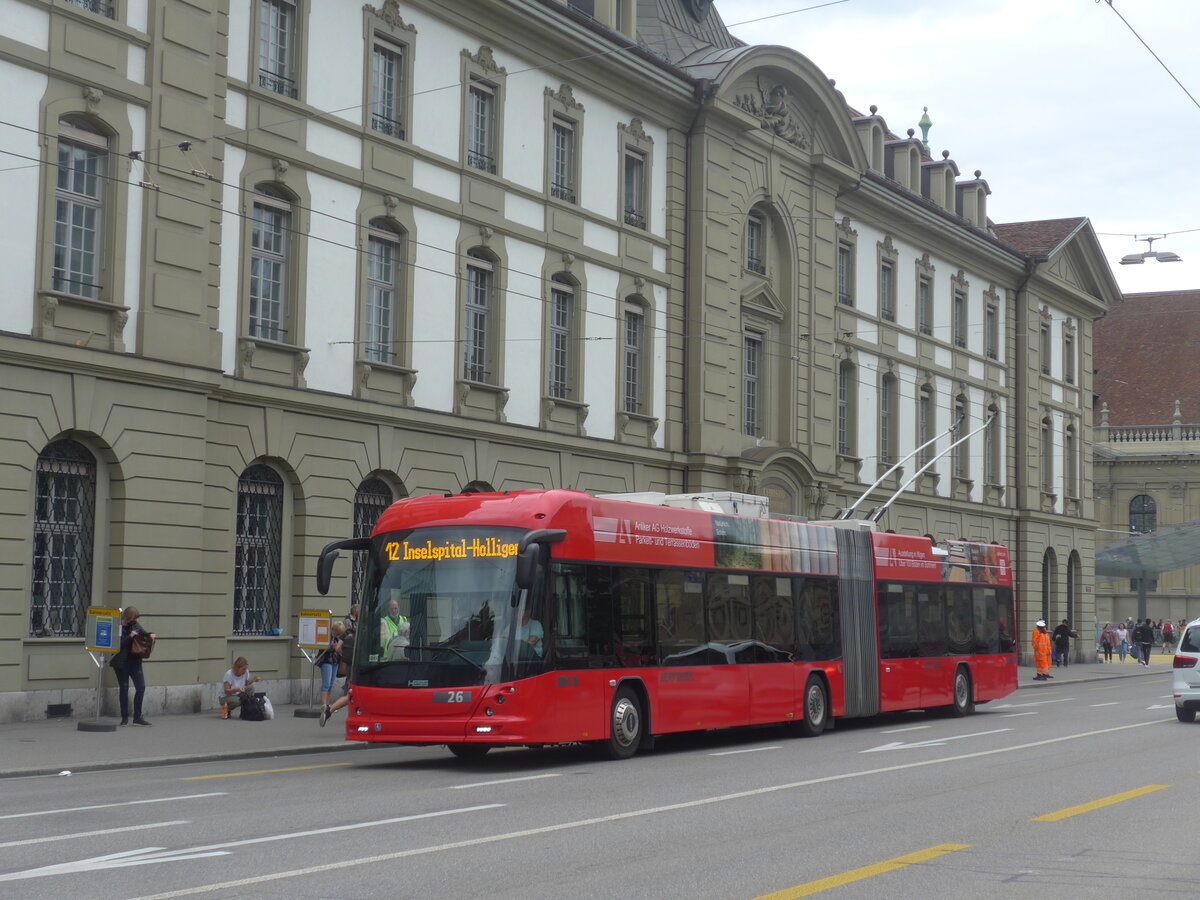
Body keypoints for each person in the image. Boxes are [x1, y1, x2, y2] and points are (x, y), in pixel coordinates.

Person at [108, 606, 156, 726]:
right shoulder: (118, 626)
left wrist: (150, 635)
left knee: (141, 687)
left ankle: (137, 717)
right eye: (132, 618)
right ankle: (124, 718)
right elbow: (118, 645)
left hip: (135, 661)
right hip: (121, 663)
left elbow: (144, 633)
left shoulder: (135, 625)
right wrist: (131, 636)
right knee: (124, 689)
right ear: (127, 617)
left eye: (135, 619)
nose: (134, 621)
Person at [319, 621, 345, 711]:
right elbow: (323, 648)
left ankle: (328, 704)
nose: (338, 635)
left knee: (331, 684)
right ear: (334, 630)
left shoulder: (337, 638)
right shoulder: (326, 636)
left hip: (335, 662)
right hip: (327, 662)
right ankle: (324, 705)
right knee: (326, 684)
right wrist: (334, 648)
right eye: (338, 632)